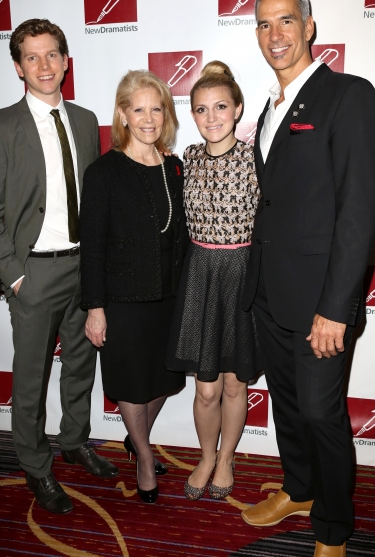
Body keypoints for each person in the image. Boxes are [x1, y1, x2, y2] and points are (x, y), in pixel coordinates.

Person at [240, 0, 375, 557]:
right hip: (269, 293)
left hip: (322, 300)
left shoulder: (348, 95)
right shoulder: (268, 108)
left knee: (322, 414)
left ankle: (334, 528)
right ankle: (299, 489)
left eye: (287, 21)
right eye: (265, 25)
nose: (277, 35)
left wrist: (336, 307)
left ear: (310, 27)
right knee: (290, 407)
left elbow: (359, 211)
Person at [0, 19, 118, 516]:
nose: (44, 65)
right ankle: (36, 467)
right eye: (32, 57)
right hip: (33, 273)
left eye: (52, 54)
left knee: (81, 363)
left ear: (66, 60)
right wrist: (16, 277)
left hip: (85, 268)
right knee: (31, 379)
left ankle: (74, 439)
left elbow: (96, 203)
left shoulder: (84, 120)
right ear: (18, 67)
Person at [79, 69, 188, 504]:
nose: (148, 118)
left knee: (165, 380)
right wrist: (95, 307)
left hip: (171, 296)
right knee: (129, 384)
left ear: (166, 113)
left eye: (156, 108)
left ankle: (133, 440)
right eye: (138, 109)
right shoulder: (103, 172)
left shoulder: (176, 168)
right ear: (123, 115)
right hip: (123, 300)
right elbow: (93, 247)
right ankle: (143, 455)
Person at [166, 61, 262, 501]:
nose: (212, 117)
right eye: (202, 109)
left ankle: (227, 459)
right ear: (193, 115)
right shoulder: (186, 158)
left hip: (241, 276)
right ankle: (206, 455)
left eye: (221, 106)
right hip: (202, 276)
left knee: (234, 382)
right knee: (205, 389)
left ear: (238, 109)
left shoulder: (255, 159)